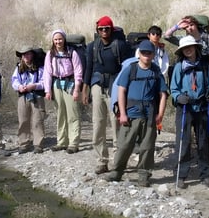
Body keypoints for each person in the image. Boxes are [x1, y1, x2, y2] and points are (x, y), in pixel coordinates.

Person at [104, 40, 168, 187]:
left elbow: (163, 94)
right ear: (139, 54)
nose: (146, 56)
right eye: (143, 53)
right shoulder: (130, 69)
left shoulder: (156, 71)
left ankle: (144, 176)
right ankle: (116, 172)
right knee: (124, 145)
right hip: (131, 114)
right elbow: (121, 91)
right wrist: (122, 113)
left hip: (150, 115)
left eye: (149, 53)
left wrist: (160, 115)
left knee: (147, 147)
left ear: (153, 55)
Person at [82, 15, 132, 174]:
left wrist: (127, 89)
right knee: (98, 124)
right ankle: (102, 161)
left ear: (112, 29)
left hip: (115, 86)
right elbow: (88, 68)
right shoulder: (92, 47)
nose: (104, 31)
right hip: (97, 86)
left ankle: (118, 161)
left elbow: (127, 67)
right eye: (101, 29)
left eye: (107, 28)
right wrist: (85, 89)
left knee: (116, 123)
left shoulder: (121, 46)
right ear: (97, 30)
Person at [171, 35, 209, 189]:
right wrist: (178, 97)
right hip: (185, 108)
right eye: (184, 48)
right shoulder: (179, 67)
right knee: (184, 141)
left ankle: (205, 174)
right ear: (181, 51)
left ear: (196, 47)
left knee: (203, 141)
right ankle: (181, 174)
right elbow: (174, 89)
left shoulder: (205, 65)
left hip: (202, 106)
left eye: (190, 47)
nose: (188, 50)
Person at [43, 29, 84, 154]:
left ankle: (73, 143)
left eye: (60, 39)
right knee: (60, 114)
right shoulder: (50, 54)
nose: (58, 41)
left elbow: (78, 71)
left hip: (70, 84)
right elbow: (47, 73)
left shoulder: (72, 52)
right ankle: (61, 142)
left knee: (73, 114)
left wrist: (77, 89)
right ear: (52, 41)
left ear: (64, 39)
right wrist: (47, 90)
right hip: (57, 85)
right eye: (55, 39)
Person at [11, 46, 46, 154]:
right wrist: (19, 87)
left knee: (37, 120)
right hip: (23, 97)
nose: (26, 56)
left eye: (28, 54)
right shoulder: (18, 68)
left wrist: (34, 86)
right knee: (23, 120)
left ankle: (38, 144)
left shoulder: (40, 67)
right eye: (24, 54)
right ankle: (24, 143)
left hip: (37, 96)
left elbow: (44, 82)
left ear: (32, 55)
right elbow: (14, 81)